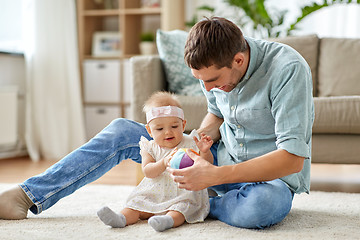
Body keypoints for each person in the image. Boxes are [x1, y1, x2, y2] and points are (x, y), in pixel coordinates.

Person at [0, 16, 314, 229]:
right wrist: (193, 145)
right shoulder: (217, 75)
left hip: (266, 178)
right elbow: (217, 114)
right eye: (201, 82)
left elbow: (292, 159)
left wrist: (214, 175)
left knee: (261, 208)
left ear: (239, 60)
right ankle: (27, 195)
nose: (209, 89)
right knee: (124, 131)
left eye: (214, 80)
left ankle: (196, 205)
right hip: (217, 160)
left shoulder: (286, 70)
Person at [97, 91, 213, 232]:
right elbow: (148, 171)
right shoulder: (150, 146)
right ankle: (121, 218)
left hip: (182, 192)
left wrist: (205, 151)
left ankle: (168, 220)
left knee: (181, 208)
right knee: (136, 204)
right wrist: (163, 163)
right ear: (150, 131)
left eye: (174, 126)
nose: (168, 132)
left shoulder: (191, 141)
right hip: (155, 191)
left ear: (183, 125)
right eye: (159, 128)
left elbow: (207, 166)